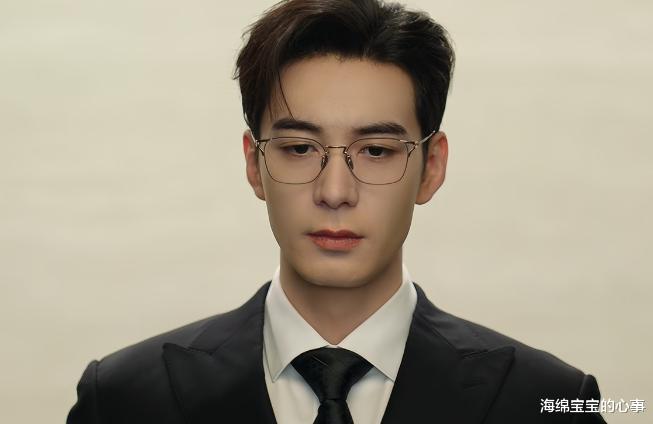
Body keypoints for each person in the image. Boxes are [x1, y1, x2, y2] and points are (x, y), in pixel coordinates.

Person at [67, 0, 607, 423]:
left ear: (432, 167)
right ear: (255, 165)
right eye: (300, 148)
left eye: (377, 151)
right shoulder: (122, 400)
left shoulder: (549, 402)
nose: (334, 191)